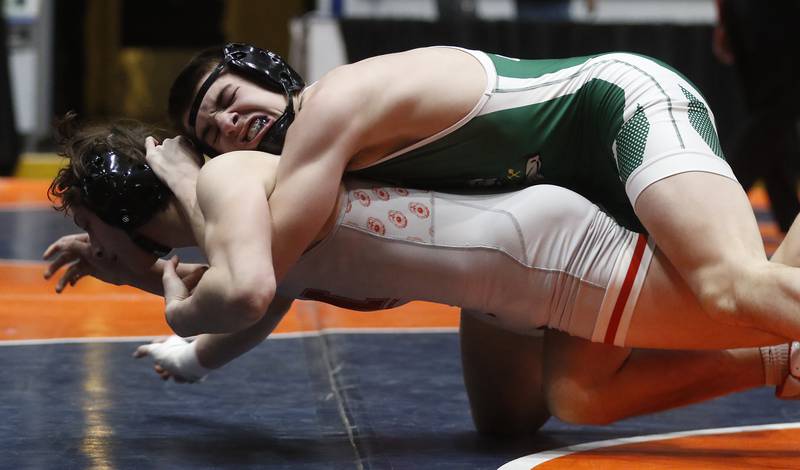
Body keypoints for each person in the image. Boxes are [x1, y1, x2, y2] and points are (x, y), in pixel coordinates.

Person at [44, 116, 800, 435]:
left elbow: (242, 294)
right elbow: (252, 278)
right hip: (534, 266)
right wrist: (138, 271)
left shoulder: (228, 179)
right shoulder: (235, 212)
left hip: (550, 258)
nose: (85, 238)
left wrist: (173, 310)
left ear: (123, 201)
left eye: (87, 219)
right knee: (583, 395)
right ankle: (780, 363)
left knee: (752, 299)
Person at [153, 42, 800, 351]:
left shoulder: (332, 108)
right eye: (213, 134)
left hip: (616, 110)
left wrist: (188, 185)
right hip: (577, 186)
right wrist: (194, 361)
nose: (230, 128)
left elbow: (265, 272)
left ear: (269, 75)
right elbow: (279, 281)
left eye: (230, 102)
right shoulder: (314, 168)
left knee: (730, 286)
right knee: (567, 395)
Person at [713, 0, 800, 233]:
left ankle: (790, 220)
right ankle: (719, 194)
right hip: (774, 12)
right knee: (777, 111)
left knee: (771, 115)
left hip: (744, 11)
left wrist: (723, 14)